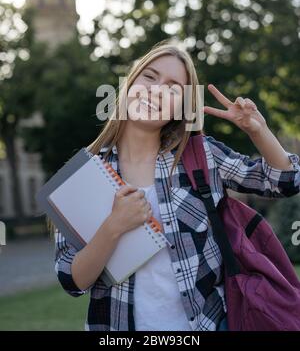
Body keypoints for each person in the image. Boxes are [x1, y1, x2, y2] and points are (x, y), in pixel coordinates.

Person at [54, 39, 300, 331]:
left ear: (181, 106)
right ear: (130, 84)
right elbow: (72, 280)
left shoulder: (202, 156)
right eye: (150, 76)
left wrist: (258, 131)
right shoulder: (85, 174)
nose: (157, 90)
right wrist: (114, 226)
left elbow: (284, 181)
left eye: (172, 88)